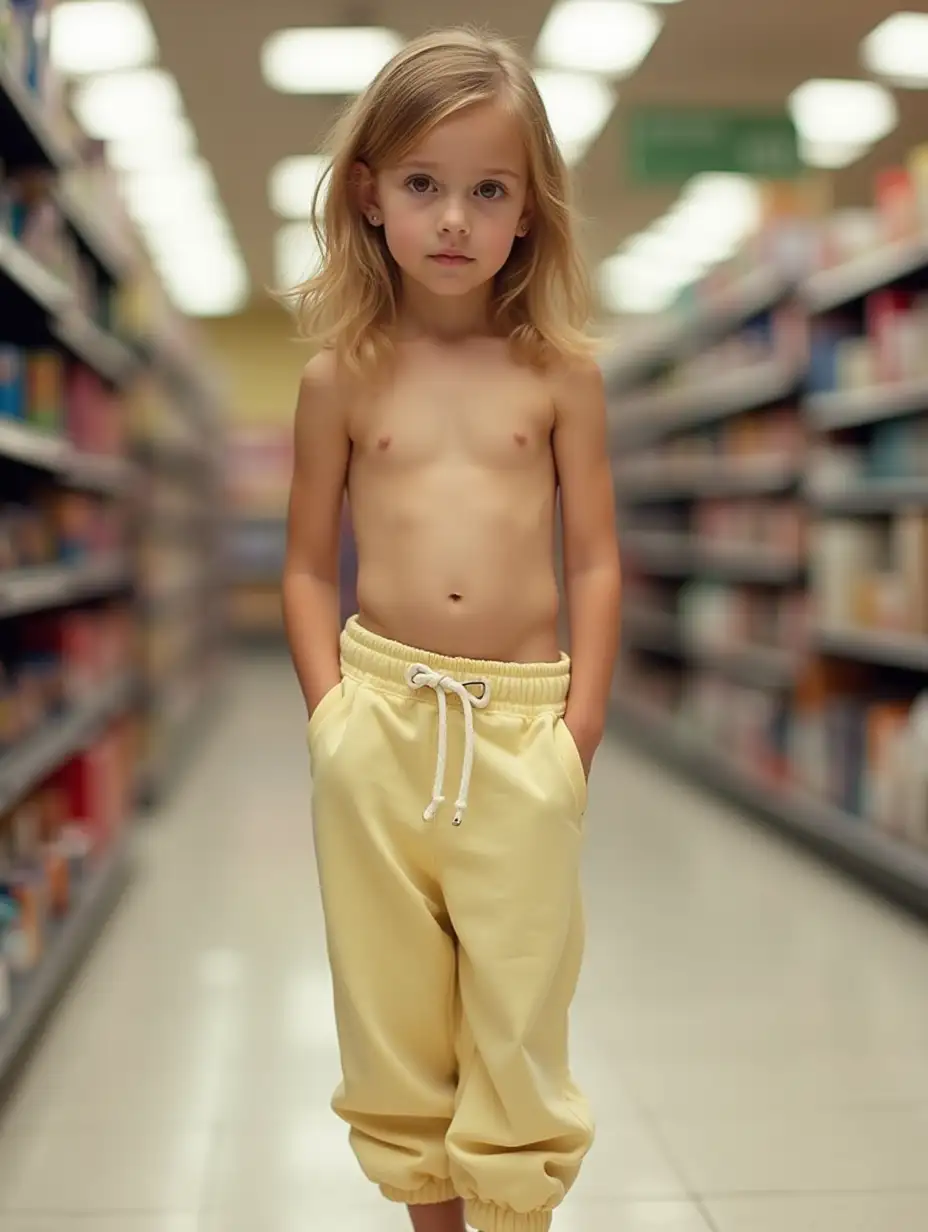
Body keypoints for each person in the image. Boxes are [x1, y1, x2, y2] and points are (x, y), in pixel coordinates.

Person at [282, 26, 621, 1232]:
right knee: (392, 1006)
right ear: (367, 193)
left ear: (530, 214)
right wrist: (331, 715)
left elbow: (593, 555)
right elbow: (308, 565)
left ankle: (516, 1214)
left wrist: (576, 732)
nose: (452, 219)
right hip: (378, 723)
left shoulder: (558, 373)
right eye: (423, 183)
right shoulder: (342, 376)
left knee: (518, 1005)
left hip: (522, 728)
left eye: (489, 191)